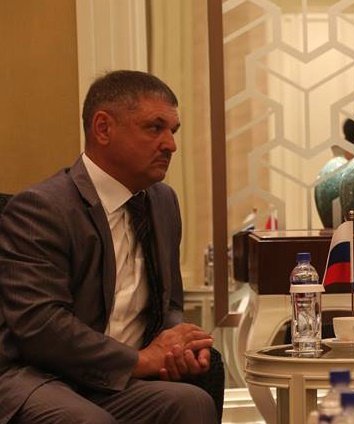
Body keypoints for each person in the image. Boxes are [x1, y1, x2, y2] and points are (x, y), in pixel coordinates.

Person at [0, 70, 218, 423]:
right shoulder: (42, 208)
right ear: (103, 128)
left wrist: (179, 342)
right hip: (40, 377)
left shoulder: (163, 202)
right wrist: (140, 360)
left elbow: (169, 306)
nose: (170, 145)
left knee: (191, 403)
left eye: (173, 131)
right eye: (154, 128)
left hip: (118, 383)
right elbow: (41, 325)